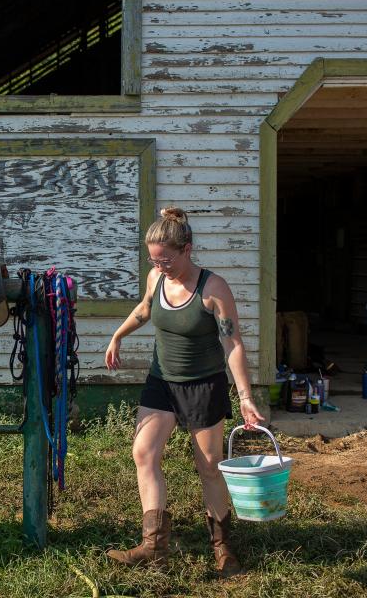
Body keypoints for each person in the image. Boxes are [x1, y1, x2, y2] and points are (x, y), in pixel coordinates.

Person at [104, 207, 265, 577]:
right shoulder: (156, 278)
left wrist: (245, 397)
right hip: (162, 381)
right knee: (143, 453)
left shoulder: (213, 288)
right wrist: (118, 335)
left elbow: (233, 344)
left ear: (187, 249)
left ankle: (222, 547)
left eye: (166, 259)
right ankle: (153, 547)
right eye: (154, 260)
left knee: (208, 467)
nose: (160, 266)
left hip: (203, 385)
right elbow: (145, 310)